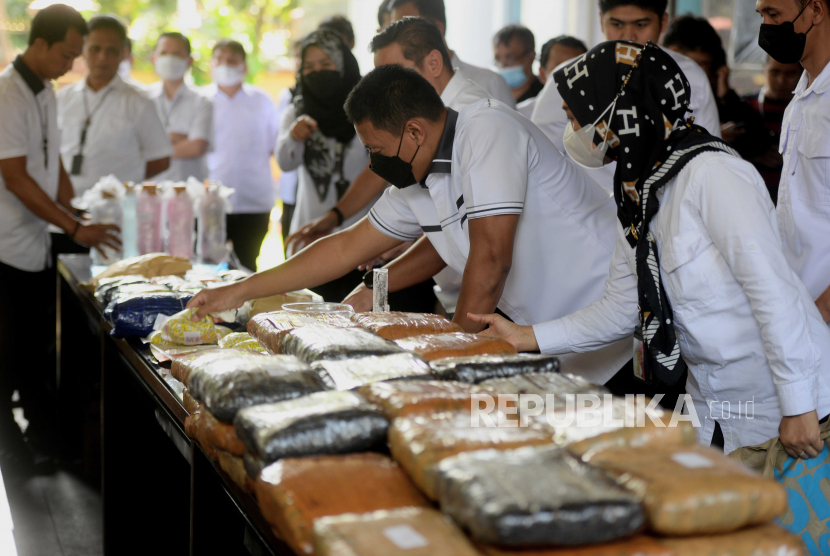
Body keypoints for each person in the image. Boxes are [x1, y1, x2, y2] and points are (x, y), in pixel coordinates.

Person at [471, 40, 830, 458]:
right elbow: (621, 309)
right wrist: (525, 337)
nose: (574, 134)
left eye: (577, 119)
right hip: (709, 400)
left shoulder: (713, 174)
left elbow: (773, 290)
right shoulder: (639, 192)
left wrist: (798, 404)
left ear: (618, 113)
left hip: (780, 404)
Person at [188, 65, 631, 385]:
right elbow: (345, 248)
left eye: (378, 149)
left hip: (607, 325)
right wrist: (241, 290)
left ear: (415, 132)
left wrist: (449, 355)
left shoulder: (487, 129)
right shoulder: (419, 178)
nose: (377, 163)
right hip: (548, 337)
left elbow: (490, 258)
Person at [285, 16, 489, 315]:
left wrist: (457, 344)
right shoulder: (417, 130)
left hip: (515, 300)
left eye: (394, 76)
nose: (383, 91)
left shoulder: (475, 121)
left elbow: (486, 251)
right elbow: (348, 244)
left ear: (433, 63)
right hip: (459, 285)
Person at [0, 5, 119, 468]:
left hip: (32, 240)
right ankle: (12, 449)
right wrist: (73, 226)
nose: (71, 64)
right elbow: (14, 175)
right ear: (40, 44)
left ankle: (43, 435)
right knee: (8, 351)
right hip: (6, 244)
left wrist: (74, 207)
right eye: (67, 54)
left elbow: (52, 163)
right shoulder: (9, 93)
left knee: (32, 347)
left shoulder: (44, 89)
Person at [531, 0, 721, 156]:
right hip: (584, 200)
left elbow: (710, 152)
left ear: (663, 22)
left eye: (641, 25)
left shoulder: (689, 75)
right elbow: (540, 155)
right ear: (601, 20)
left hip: (667, 200)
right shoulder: (567, 78)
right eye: (617, 24)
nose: (628, 35)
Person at [277, 30, 367, 301]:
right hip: (310, 236)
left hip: (363, 239)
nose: (317, 72)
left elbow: (379, 171)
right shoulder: (297, 110)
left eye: (326, 65)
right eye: (309, 67)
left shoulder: (366, 108)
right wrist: (294, 136)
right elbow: (285, 162)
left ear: (342, 64)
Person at [757, 0, 830, 326]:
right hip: (794, 305)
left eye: (773, 14)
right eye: (761, 15)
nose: (766, 27)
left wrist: (824, 310)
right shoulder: (800, 99)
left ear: (815, 11)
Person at [57, 15, 172, 199]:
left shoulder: (139, 101)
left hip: (116, 210)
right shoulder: (63, 99)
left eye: (111, 51)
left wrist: (124, 182)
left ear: (123, 54)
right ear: (82, 50)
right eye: (95, 49)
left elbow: (161, 159)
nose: (103, 57)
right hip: (65, 205)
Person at [204, 39, 280, 272]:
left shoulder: (262, 101)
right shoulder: (201, 101)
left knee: (247, 264)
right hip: (211, 201)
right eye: (219, 60)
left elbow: (273, 146)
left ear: (243, 66)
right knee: (207, 265)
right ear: (211, 65)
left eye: (232, 60)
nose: (225, 65)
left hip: (253, 201)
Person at [662, 14, 766, 152]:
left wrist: (726, 95)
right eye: (699, 64)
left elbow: (758, 137)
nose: (704, 72)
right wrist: (709, 137)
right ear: (674, 53)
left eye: (708, 66)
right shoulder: (651, 91)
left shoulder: (710, 91)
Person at [388, 0, 516, 107]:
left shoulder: (489, 82)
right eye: (392, 30)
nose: (395, 39)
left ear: (437, 28)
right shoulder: (402, 90)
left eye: (404, 29)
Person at [147, 32, 213, 182]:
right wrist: (180, 138)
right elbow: (134, 145)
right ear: (154, 58)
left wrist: (154, 146)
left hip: (190, 191)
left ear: (189, 61)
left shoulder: (202, 101)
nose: (169, 59)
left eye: (177, 54)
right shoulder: (143, 99)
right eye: (164, 53)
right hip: (150, 191)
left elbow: (196, 147)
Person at [744, 57, 803, 203]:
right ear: (764, 69)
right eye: (774, 72)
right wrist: (755, 156)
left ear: (802, 74)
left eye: (790, 74)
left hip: (794, 202)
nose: (781, 80)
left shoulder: (807, 110)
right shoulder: (743, 106)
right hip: (752, 198)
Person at [517, 35, 587, 118]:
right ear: (542, 74)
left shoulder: (599, 112)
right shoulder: (520, 116)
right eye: (559, 70)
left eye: (576, 69)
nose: (568, 76)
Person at [493, 25, 543, 104]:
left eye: (510, 57)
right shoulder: (491, 96)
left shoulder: (543, 95)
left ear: (531, 57)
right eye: (498, 58)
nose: (503, 65)